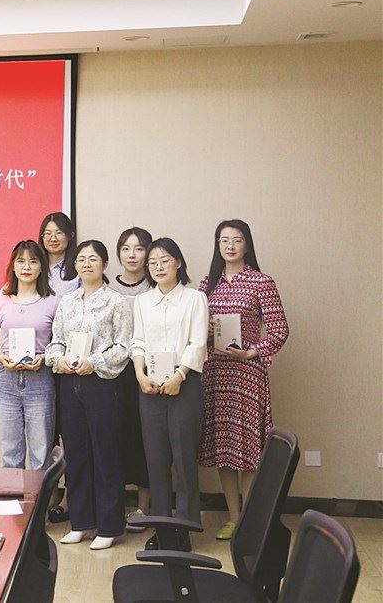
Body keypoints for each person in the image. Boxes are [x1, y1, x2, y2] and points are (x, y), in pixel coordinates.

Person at [198, 219, 289, 540]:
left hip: (247, 374)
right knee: (224, 446)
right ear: (217, 245)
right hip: (215, 374)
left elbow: (279, 330)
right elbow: (194, 330)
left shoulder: (261, 282)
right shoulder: (207, 284)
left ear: (247, 244)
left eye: (237, 240)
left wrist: (252, 352)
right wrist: (207, 330)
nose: (230, 246)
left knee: (248, 448)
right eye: (224, 240)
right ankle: (233, 518)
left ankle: (249, 521)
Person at [46, 240, 131, 550]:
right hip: (70, 383)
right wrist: (59, 359)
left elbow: (123, 347)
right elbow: (56, 341)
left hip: (102, 384)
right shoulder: (67, 302)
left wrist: (93, 362)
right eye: (81, 259)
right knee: (76, 453)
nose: (86, 264)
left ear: (104, 265)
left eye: (93, 259)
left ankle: (109, 526)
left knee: (105, 453)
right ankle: (81, 522)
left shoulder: (116, 302)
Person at [130, 237, 208, 551]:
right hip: (149, 385)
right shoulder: (142, 301)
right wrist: (139, 375)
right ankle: (162, 529)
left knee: (184, 459)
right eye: (152, 263)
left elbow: (198, 342)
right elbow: (137, 342)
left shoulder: (194, 298)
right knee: (156, 459)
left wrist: (180, 375)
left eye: (164, 260)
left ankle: (185, 528)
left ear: (178, 262)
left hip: (184, 384)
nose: (158, 267)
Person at [0, 240, 60, 470]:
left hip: (40, 379)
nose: (26, 267)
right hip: (6, 380)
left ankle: (40, 495)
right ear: (13, 266)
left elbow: (60, 343)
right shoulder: (0, 300)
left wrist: (43, 358)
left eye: (33, 262)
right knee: (11, 450)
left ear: (41, 267)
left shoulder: (53, 302)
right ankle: (14, 494)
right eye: (21, 261)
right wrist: (2, 358)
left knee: (41, 451)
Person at [38, 211, 81, 521]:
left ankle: (68, 497)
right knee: (46, 432)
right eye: (48, 233)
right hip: (39, 359)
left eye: (59, 232)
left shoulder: (78, 269)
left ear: (70, 236)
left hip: (70, 360)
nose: (53, 238)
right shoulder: (35, 266)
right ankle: (48, 493)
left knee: (71, 432)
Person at [110, 227, 153, 532]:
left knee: (144, 438)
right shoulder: (108, 288)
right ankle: (115, 504)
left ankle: (144, 506)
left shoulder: (157, 287)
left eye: (139, 249)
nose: (132, 255)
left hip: (148, 371)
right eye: (126, 249)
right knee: (115, 436)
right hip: (113, 373)